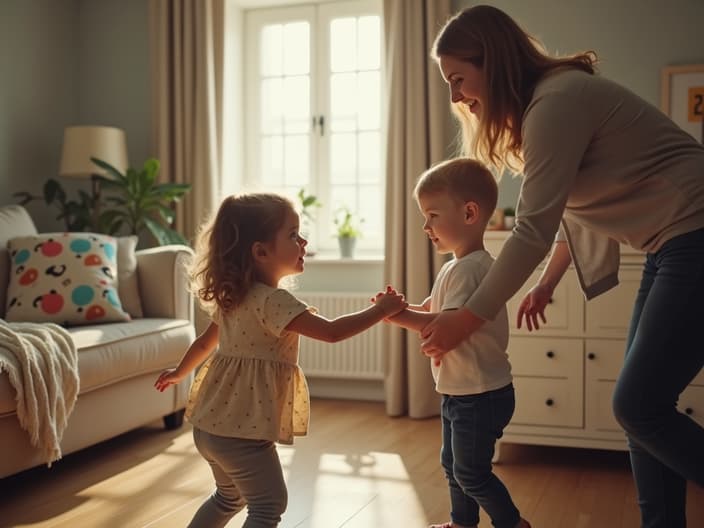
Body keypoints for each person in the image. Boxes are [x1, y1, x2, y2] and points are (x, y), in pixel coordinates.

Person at [420, 5, 704, 527]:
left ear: (494, 61)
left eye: (459, 79)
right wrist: (548, 283)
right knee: (642, 413)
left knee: (638, 407)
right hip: (670, 243)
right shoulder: (546, 108)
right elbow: (581, 210)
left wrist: (469, 316)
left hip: (695, 233)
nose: (457, 96)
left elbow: (533, 227)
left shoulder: (557, 102)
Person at [154, 193, 407, 528]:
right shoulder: (274, 302)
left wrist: (179, 372)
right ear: (260, 252)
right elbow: (331, 332)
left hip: (209, 427)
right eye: (292, 234)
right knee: (269, 504)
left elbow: (203, 344)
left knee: (227, 498)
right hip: (242, 434)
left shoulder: (235, 296)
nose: (303, 241)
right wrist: (381, 310)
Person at [377, 158, 530, 528]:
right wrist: (402, 307)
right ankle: (462, 522)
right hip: (462, 391)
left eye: (432, 215)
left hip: (480, 395)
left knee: (471, 472)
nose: (425, 226)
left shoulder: (470, 268)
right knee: (454, 466)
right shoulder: (453, 267)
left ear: (469, 213)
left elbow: (439, 323)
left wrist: (395, 315)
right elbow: (433, 312)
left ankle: (512, 523)